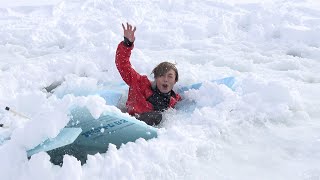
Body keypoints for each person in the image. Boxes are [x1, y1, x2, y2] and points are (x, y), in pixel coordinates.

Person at [115, 23, 181, 126]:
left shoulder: (174, 101)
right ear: (155, 78)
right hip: (129, 121)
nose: (165, 79)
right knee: (156, 116)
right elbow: (122, 65)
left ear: (175, 80)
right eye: (161, 75)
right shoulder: (140, 83)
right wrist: (127, 44)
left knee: (157, 116)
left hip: (147, 128)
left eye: (170, 76)